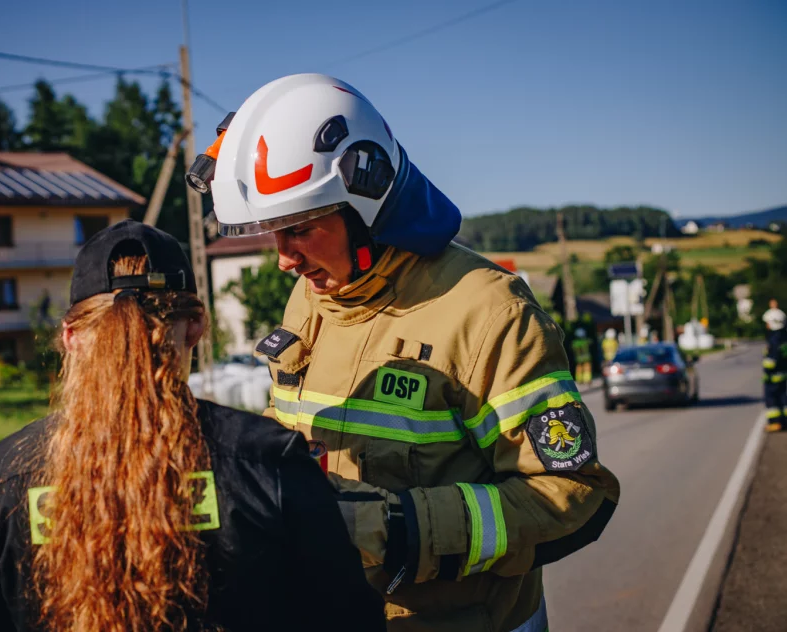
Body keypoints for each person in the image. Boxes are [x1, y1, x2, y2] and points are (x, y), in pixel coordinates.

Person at [187, 74, 620, 631]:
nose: (284, 259)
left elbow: (572, 495)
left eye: (298, 229)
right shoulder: (314, 294)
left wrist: (400, 529)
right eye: (273, 232)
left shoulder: (489, 313)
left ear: (365, 201)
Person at [0, 220, 385, 632]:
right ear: (195, 326)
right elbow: (346, 616)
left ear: (71, 336)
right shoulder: (269, 462)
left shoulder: (1, 479)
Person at [762, 300, 787, 432]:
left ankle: (775, 423)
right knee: (784, 399)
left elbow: (772, 360)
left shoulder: (774, 339)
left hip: (773, 377)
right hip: (783, 375)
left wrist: (767, 369)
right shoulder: (784, 337)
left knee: (772, 401)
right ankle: (784, 422)